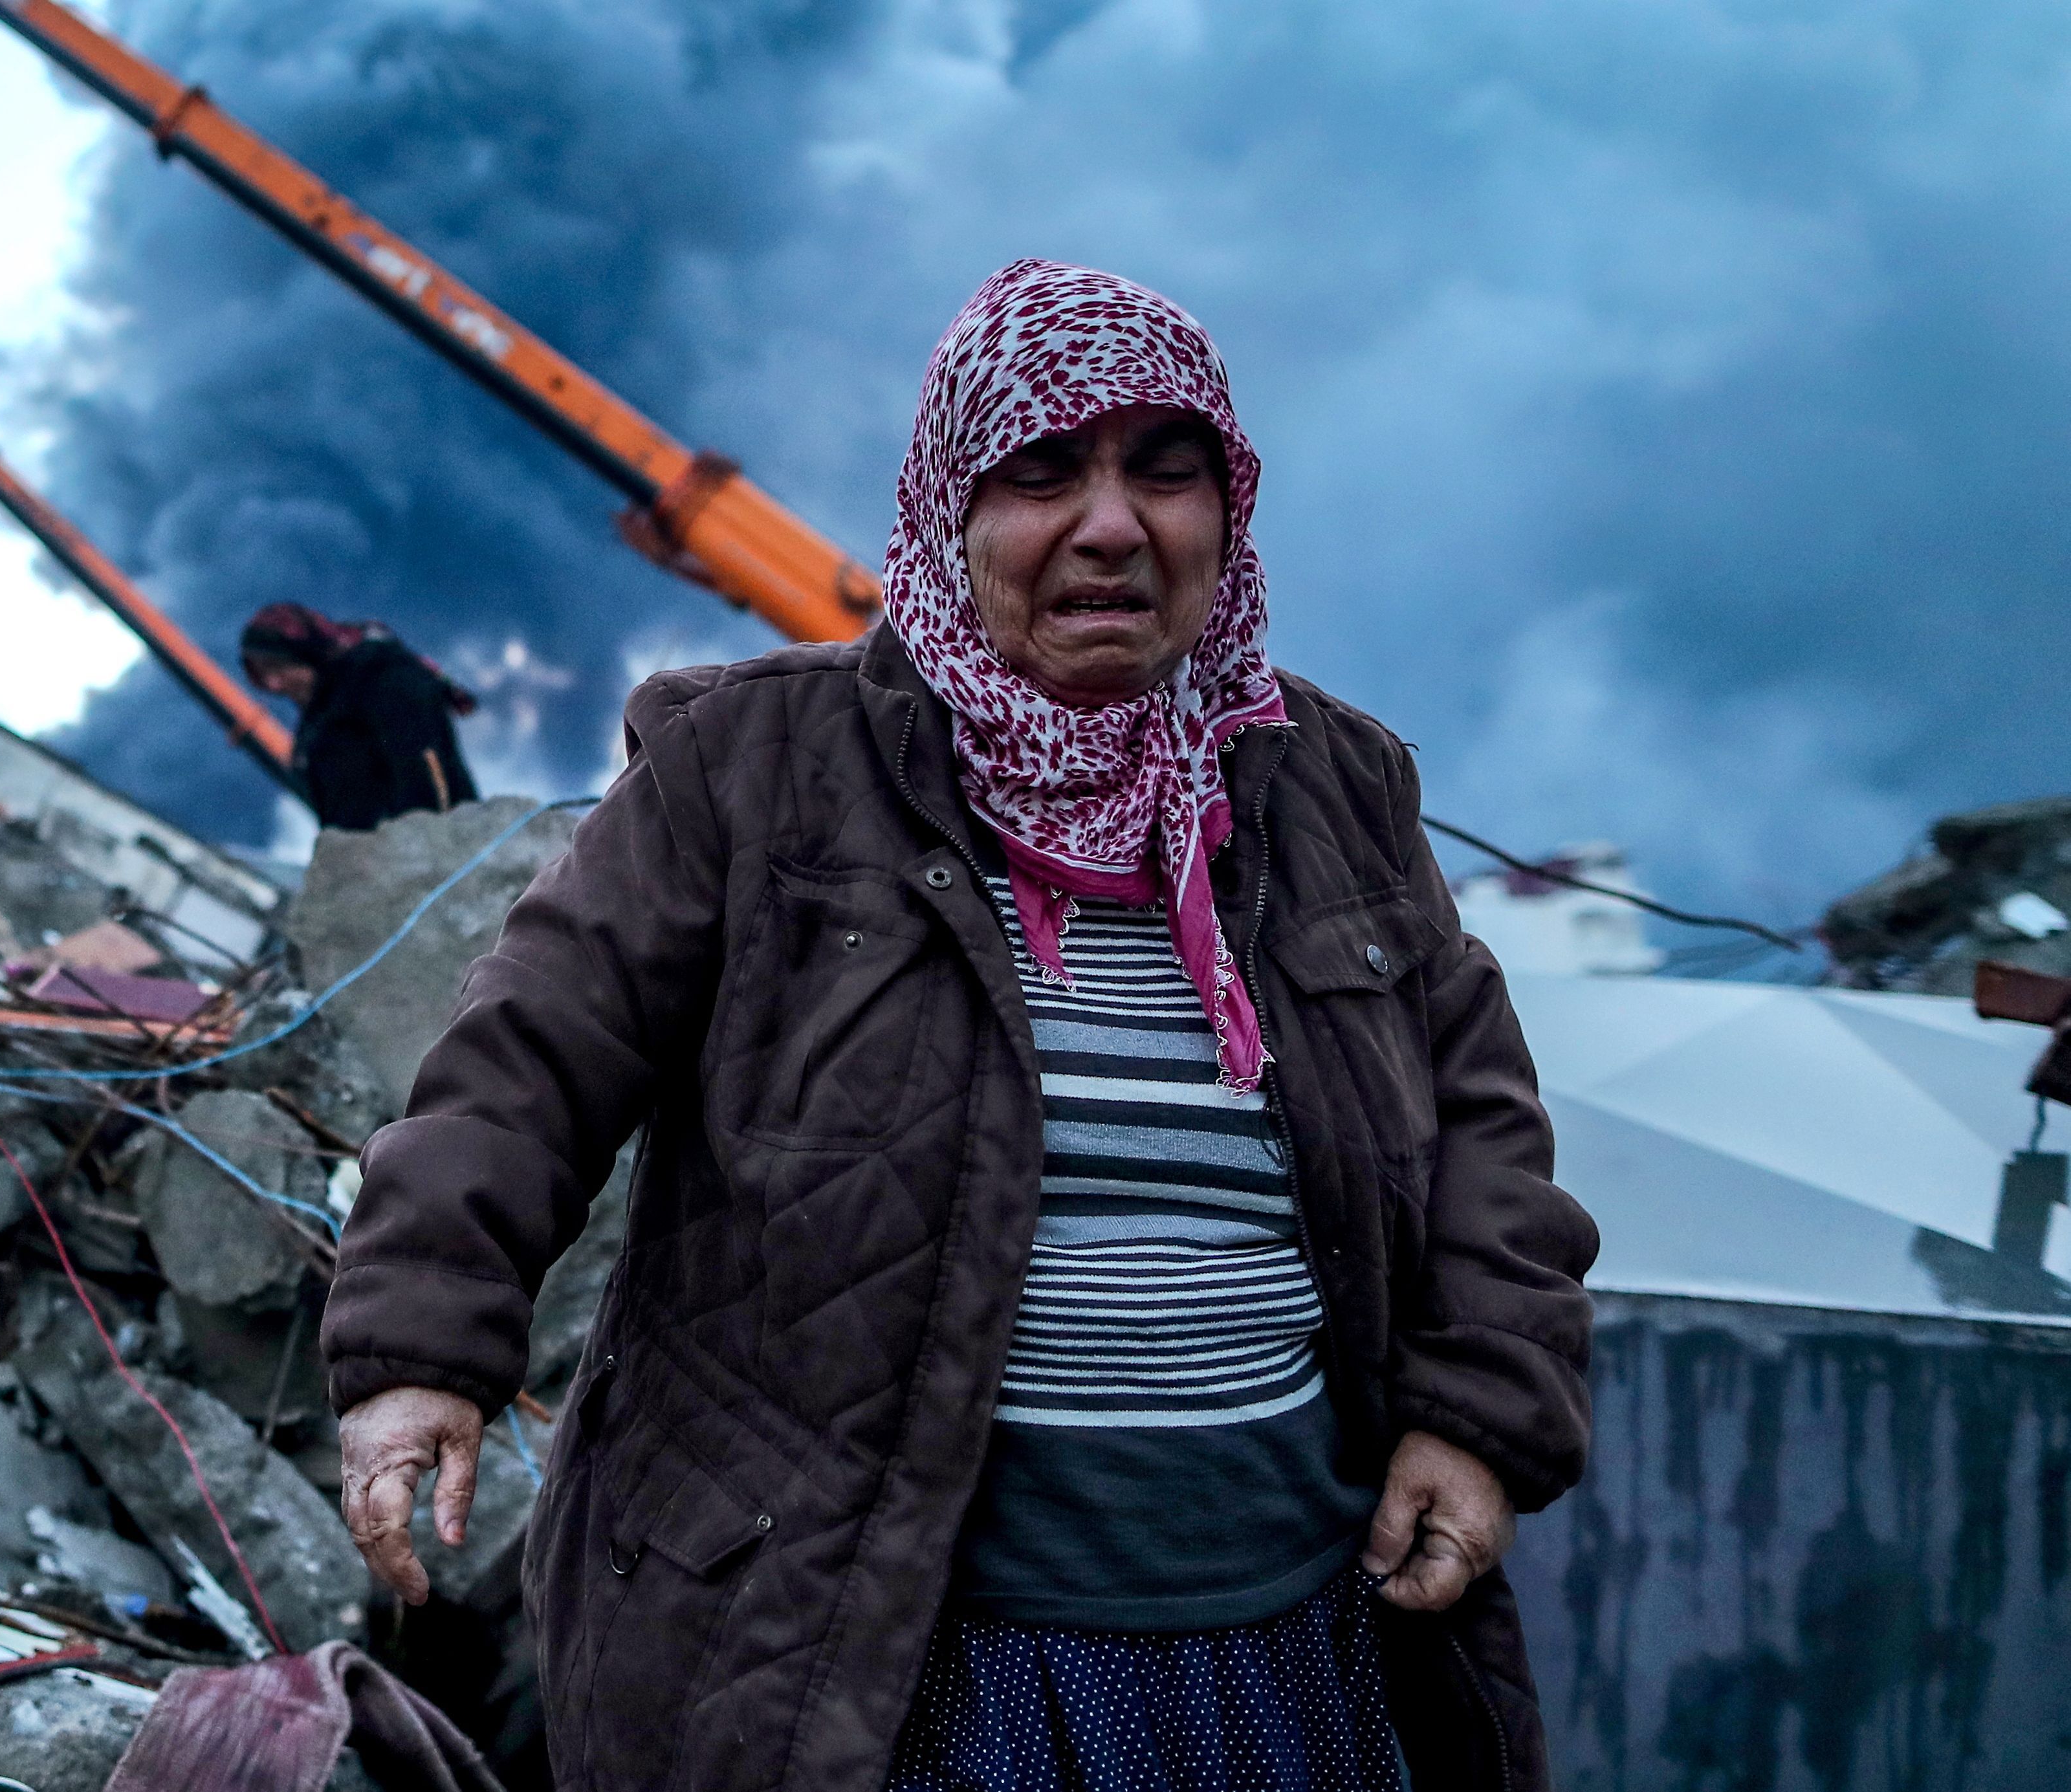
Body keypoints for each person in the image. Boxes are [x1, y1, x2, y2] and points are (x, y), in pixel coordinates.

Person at [322, 263, 1597, 1792]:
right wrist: (418, 1350)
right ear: (949, 510)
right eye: (1042, 470)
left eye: (1163, 469)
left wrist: (1478, 1414)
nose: (1111, 524)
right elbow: (522, 1068)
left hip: (1286, 1640)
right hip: (876, 1659)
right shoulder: (748, 766)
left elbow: (1480, 1130)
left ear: (1224, 511)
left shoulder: (1330, 786)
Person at [239, 601, 478, 831]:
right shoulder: (320, 716)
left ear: (306, 655)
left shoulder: (383, 679)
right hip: (377, 862)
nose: (273, 683)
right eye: (261, 674)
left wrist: (432, 851)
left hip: (438, 853)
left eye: (279, 668)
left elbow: (428, 771)